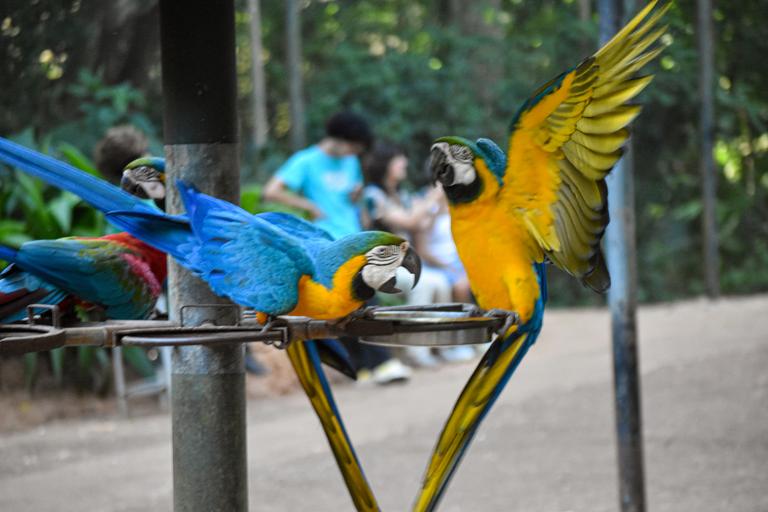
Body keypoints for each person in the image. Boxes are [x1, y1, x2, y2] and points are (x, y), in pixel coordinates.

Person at [264, 112, 411, 384]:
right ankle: (383, 363)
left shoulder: (351, 161)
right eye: (354, 145)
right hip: (328, 247)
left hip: (354, 238)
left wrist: (357, 200)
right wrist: (309, 207)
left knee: (349, 306)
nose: (356, 152)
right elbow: (271, 190)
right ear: (340, 139)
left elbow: (353, 203)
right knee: (362, 301)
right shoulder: (305, 161)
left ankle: (362, 368)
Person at [361, 142, 474, 366]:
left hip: (404, 264)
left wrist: (434, 206)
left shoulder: (402, 195)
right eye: (399, 159)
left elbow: (420, 224)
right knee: (425, 283)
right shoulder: (372, 195)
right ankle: (416, 351)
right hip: (382, 267)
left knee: (440, 282)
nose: (405, 163)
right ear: (386, 165)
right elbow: (410, 221)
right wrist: (434, 195)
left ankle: (440, 345)